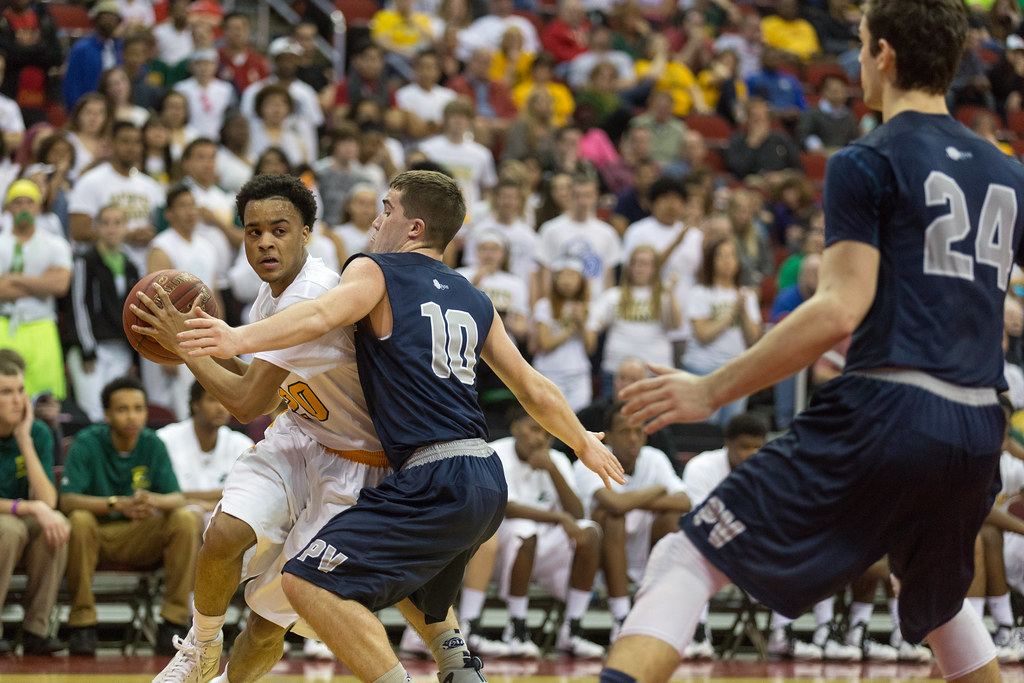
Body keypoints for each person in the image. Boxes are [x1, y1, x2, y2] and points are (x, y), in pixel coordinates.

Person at [602, 1, 1024, 681]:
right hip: (979, 427)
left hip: (892, 407)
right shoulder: (1008, 172)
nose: (859, 62)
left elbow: (837, 310)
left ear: (883, 55)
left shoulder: (868, 157)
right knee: (940, 605)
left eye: (861, 44)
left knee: (688, 556)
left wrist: (710, 389)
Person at [176, 170, 625, 682]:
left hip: (427, 471)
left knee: (308, 581)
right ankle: (459, 666)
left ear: (414, 227)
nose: (376, 220)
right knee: (413, 584)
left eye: (387, 209)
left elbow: (318, 316)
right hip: (484, 474)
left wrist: (234, 338)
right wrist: (581, 441)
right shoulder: (474, 297)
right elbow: (533, 386)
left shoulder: (375, 270)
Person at [60, 376, 201, 657]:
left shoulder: (152, 443)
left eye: (138, 408)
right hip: (96, 536)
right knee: (79, 520)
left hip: (140, 537)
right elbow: (67, 500)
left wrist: (152, 500)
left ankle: (173, 621)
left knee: (185, 519)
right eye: (122, 409)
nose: (132, 416)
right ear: (107, 414)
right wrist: (117, 504)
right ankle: (82, 624)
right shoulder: (87, 441)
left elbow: (177, 498)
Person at [489, 406, 606, 658]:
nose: (540, 439)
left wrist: (553, 471)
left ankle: (572, 628)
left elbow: (577, 514)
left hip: (544, 549)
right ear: (515, 428)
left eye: (547, 434)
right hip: (502, 548)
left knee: (590, 532)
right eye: (534, 429)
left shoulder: (558, 460)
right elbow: (507, 508)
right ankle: (516, 627)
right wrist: (558, 517)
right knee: (524, 530)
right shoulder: (495, 452)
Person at [576, 402, 690, 646]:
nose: (634, 438)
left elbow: (684, 501)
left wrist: (633, 502)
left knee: (673, 520)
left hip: (645, 546)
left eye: (639, 431)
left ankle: (663, 609)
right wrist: (657, 490)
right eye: (625, 432)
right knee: (613, 518)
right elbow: (615, 505)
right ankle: (621, 617)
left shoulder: (655, 458)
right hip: (596, 557)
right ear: (608, 437)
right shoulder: (590, 458)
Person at [0, 350, 68, 656]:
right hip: (9, 521)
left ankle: (36, 629)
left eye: (20, 390)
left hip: (15, 517)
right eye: (6, 392)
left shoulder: (37, 432)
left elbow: (48, 500)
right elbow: (36, 506)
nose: (18, 400)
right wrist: (28, 508)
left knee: (56, 525)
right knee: (10, 529)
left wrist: (24, 440)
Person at [64, 204, 140, 424]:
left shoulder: (131, 266)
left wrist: (134, 355)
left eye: (117, 223)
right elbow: (78, 306)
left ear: (125, 227)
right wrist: (87, 350)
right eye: (105, 223)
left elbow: (135, 312)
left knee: (119, 412)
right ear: (97, 227)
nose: (111, 229)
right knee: (94, 413)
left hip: (121, 349)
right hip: (93, 349)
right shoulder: (85, 261)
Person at [0, 178, 71, 400]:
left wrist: (12, 279)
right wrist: (41, 283)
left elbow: (60, 285)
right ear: (8, 208)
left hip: (41, 325)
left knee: (45, 400)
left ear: (39, 207)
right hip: (4, 324)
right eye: (18, 202)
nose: (24, 208)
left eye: (29, 202)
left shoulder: (55, 244)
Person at [157, 380, 254, 523]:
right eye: (212, 400)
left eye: (225, 401)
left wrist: (190, 499)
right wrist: (219, 497)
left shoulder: (242, 444)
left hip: (227, 522)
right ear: (195, 404)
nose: (221, 408)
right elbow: (161, 496)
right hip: (179, 523)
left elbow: (248, 494)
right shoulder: (165, 439)